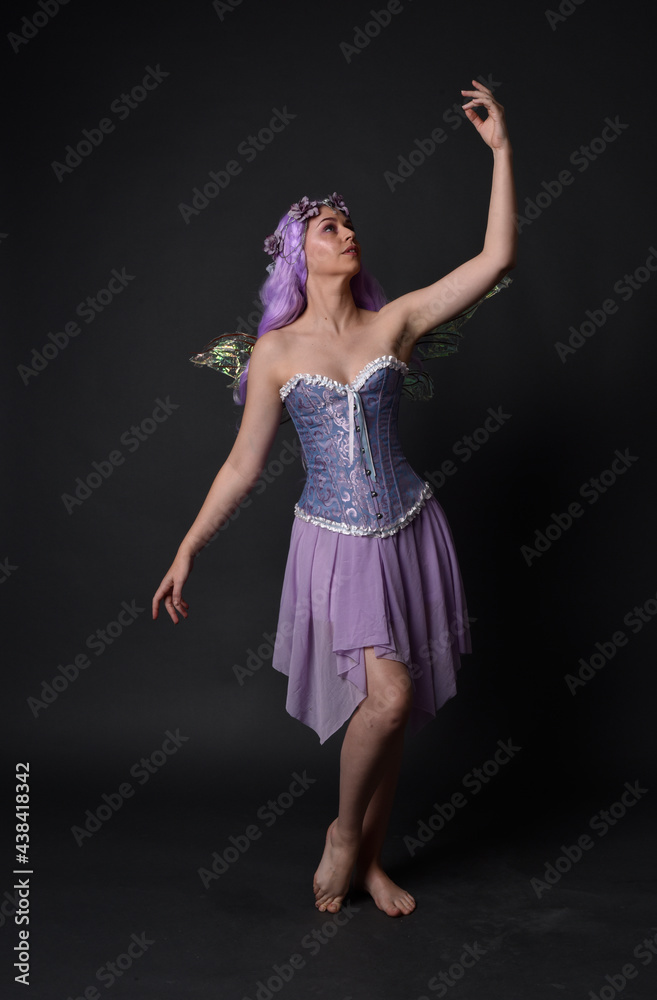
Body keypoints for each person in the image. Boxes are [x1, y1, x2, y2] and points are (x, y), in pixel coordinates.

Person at [152, 79, 516, 918]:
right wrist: (187, 548)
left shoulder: (393, 325)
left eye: (350, 226)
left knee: (399, 708)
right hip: (336, 539)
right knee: (383, 701)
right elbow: (242, 467)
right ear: (298, 253)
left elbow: (494, 263)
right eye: (329, 227)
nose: (347, 235)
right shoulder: (276, 353)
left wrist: (498, 153)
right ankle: (344, 836)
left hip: (409, 526)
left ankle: (370, 860)